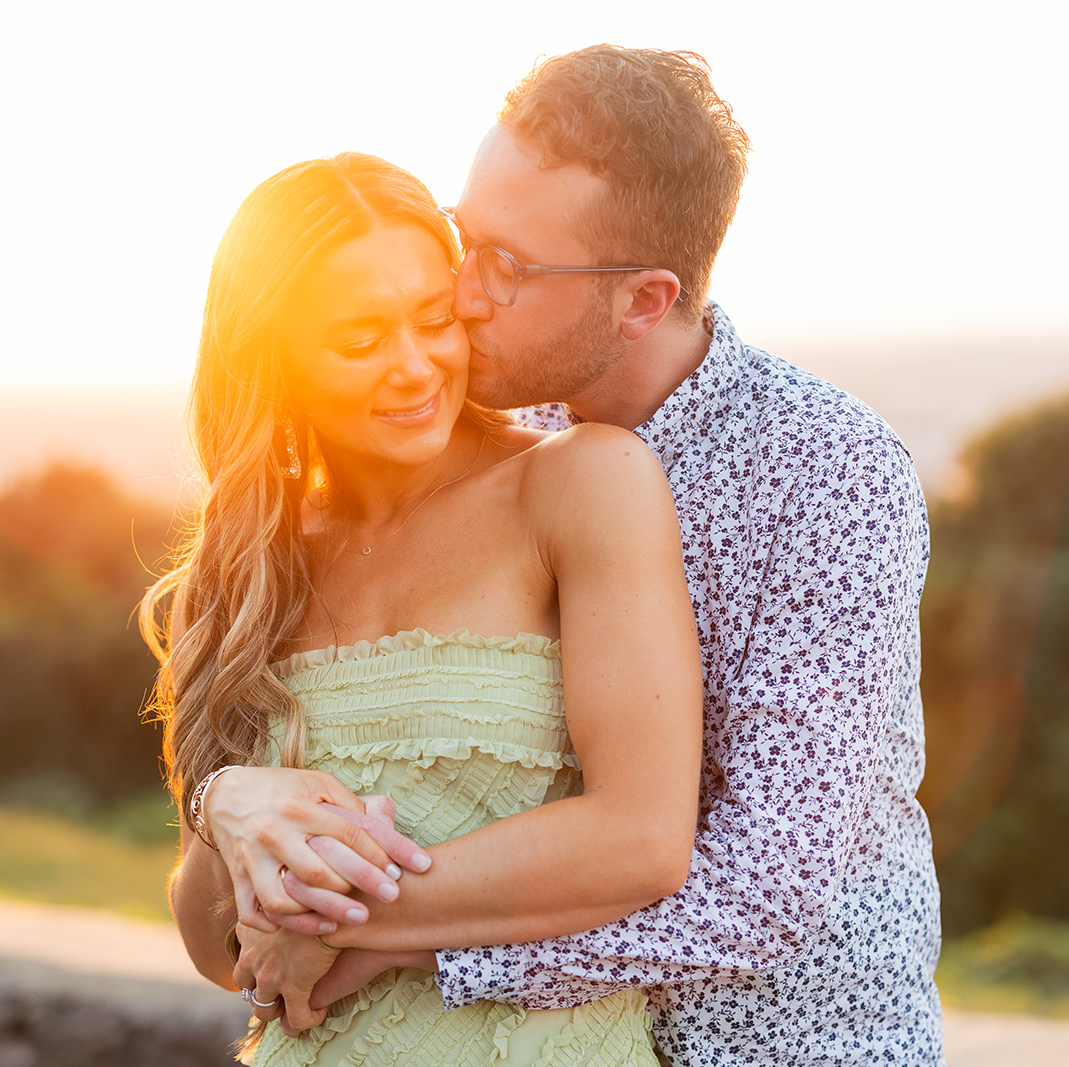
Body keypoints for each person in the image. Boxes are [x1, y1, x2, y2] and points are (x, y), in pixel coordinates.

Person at [188, 45, 944, 1066]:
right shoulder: (485, 441)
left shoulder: (828, 473)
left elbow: (760, 885)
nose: (465, 293)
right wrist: (223, 798)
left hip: (787, 1046)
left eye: (509, 265)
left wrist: (405, 944)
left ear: (640, 299)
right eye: (467, 239)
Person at [142, 151, 706, 1064]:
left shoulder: (582, 481)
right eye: (359, 340)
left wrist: (348, 922)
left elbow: (641, 840)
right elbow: (221, 953)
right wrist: (225, 802)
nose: (414, 368)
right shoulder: (242, 566)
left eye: (434, 318)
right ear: (271, 358)